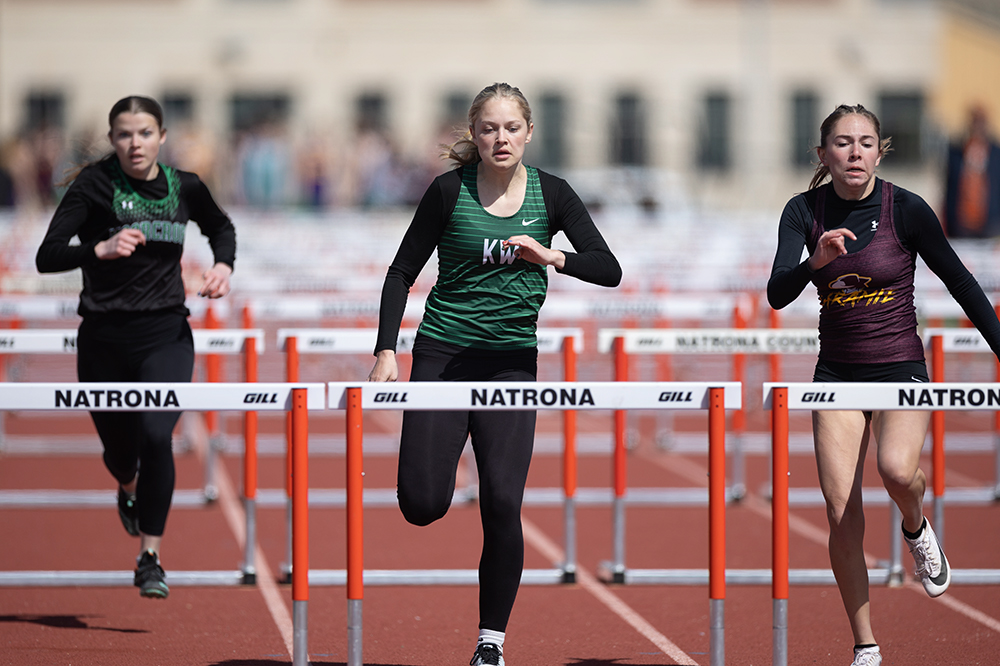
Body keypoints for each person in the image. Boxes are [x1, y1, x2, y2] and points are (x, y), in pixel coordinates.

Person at [368, 82, 621, 666]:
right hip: (443, 356)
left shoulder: (553, 194)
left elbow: (609, 268)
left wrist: (552, 256)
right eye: (489, 129)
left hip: (511, 361)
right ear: (474, 135)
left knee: (503, 503)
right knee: (422, 505)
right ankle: (422, 472)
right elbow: (400, 272)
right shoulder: (447, 191)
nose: (500, 138)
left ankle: (491, 642)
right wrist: (386, 351)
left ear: (529, 133)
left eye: (511, 128)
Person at [768, 103, 1000, 666]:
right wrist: (815, 262)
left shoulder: (908, 209)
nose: (855, 152)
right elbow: (776, 294)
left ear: (880, 151)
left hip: (900, 368)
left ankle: (916, 527)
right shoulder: (803, 211)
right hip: (837, 374)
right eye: (842, 143)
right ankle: (866, 646)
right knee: (840, 511)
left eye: (866, 143)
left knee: (897, 471)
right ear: (823, 154)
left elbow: (961, 282)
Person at [36, 95, 236, 599]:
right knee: (121, 453)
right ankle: (127, 487)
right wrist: (97, 249)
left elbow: (221, 228)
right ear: (112, 140)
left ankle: (150, 558)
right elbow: (47, 255)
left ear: (161, 137)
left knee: (155, 434)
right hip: (103, 338)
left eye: (145, 133)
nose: (135, 143)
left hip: (165, 334)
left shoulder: (184, 186)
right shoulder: (94, 185)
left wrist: (222, 266)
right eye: (124, 135)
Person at [944, 105, 1000, 238]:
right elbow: (949, 187)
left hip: (989, 225)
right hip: (961, 224)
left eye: (981, 121)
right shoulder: (957, 152)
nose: (978, 126)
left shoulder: (995, 153)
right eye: (975, 121)